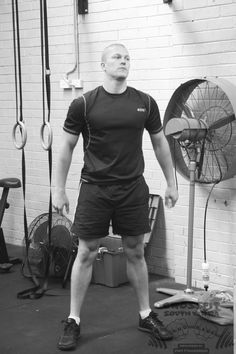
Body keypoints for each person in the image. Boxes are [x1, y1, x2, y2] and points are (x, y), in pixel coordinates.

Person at [54, 43, 178, 351]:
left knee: (135, 251)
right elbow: (67, 147)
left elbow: (161, 144)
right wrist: (58, 189)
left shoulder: (145, 103)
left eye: (126, 58)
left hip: (132, 188)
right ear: (103, 65)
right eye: (116, 57)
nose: (123, 61)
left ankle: (145, 314)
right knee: (86, 251)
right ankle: (73, 319)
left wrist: (171, 182)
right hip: (95, 188)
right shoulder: (84, 103)